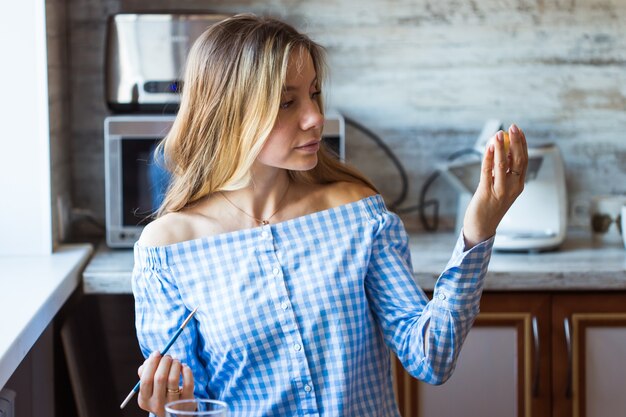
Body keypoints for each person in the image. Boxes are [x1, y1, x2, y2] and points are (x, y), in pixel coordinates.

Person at [132, 13, 528, 417]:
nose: (315, 117)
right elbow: (189, 405)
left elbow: (431, 357)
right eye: (288, 102)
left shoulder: (357, 214)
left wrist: (478, 229)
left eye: (314, 94)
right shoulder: (167, 251)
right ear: (230, 111)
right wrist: (165, 406)